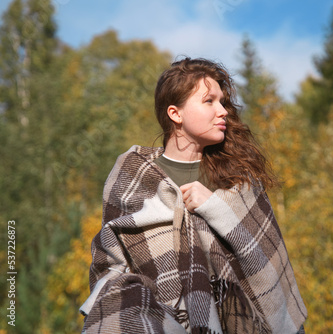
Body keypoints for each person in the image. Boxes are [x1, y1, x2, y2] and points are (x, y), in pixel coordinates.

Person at [80, 57, 307, 333]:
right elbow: (111, 267)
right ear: (176, 114)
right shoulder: (130, 179)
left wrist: (214, 207)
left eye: (222, 102)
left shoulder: (240, 179)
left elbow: (267, 267)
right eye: (209, 101)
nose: (222, 111)